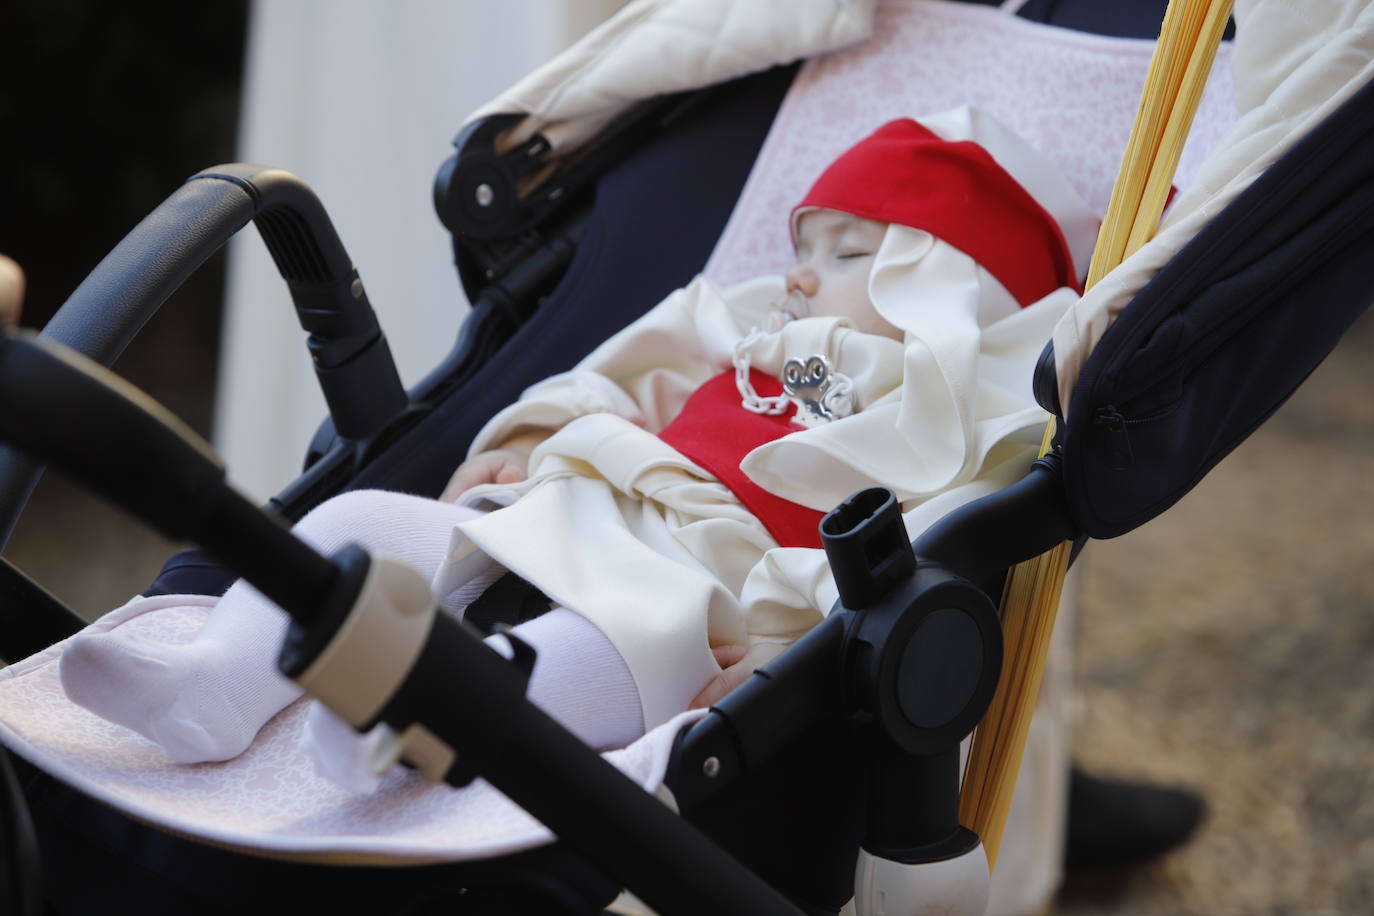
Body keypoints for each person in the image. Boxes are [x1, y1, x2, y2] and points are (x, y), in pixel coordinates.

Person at [58, 109, 1096, 784]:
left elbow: (919, 554)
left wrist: (798, 657)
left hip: (705, 580)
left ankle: (419, 722)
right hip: (585, 491)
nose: (798, 273)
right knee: (364, 518)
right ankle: (214, 683)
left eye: (848, 250)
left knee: (618, 652)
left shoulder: (961, 418)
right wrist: (534, 434)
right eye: (801, 246)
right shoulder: (742, 321)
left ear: (951, 285)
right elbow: (621, 369)